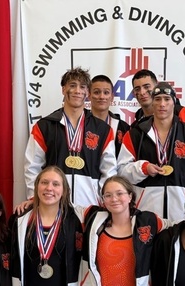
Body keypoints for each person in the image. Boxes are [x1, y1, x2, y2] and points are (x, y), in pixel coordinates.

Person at [23, 67, 116, 207]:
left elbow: (108, 169)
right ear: (63, 89)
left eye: (82, 87)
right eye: (72, 86)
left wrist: (105, 201)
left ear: (87, 92)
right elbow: (32, 166)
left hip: (90, 204)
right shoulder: (44, 126)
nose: (77, 91)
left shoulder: (102, 129)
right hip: (53, 203)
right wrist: (34, 197)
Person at [118, 82, 185, 221]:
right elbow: (122, 171)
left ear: (174, 103)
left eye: (167, 99)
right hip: (145, 209)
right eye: (157, 99)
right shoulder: (135, 135)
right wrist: (143, 168)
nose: (162, 104)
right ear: (152, 103)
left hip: (181, 210)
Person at [129, 69, 185, 157]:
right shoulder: (136, 125)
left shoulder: (180, 113)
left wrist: (184, 169)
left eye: (146, 87)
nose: (142, 92)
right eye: (137, 89)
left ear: (156, 87)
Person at [88, 75, 130, 157]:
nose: (101, 97)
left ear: (112, 97)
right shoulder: (81, 124)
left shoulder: (124, 128)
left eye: (106, 93)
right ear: (89, 96)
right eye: (97, 92)